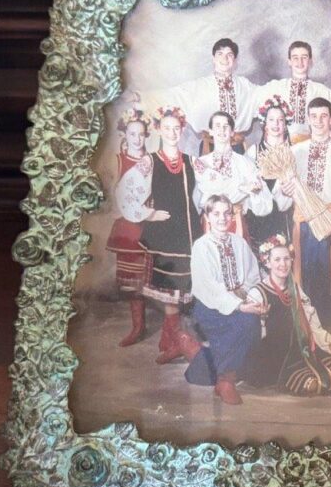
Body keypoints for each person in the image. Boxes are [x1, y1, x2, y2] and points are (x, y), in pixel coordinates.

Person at [116, 106, 204, 364]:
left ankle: (171, 338)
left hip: (188, 232)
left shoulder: (191, 161)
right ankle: (172, 339)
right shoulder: (150, 161)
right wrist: (148, 213)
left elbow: (211, 186)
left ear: (182, 130)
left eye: (176, 128)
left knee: (182, 288)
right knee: (169, 287)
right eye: (167, 128)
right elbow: (125, 191)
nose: (172, 133)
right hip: (165, 234)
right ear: (159, 130)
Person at [280, 97, 331, 337]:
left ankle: (328, 337)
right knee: (303, 281)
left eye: (324, 116)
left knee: (329, 284)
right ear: (307, 119)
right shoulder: (294, 153)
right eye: (313, 116)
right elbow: (282, 197)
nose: (319, 121)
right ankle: (306, 336)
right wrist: (284, 191)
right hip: (303, 228)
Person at [240, 235, 331, 396]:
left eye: (286, 259)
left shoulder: (294, 287)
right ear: (267, 262)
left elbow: (308, 318)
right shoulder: (258, 292)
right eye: (277, 260)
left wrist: (318, 338)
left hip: (300, 346)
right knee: (313, 385)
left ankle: (327, 379)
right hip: (277, 354)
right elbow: (253, 333)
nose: (283, 264)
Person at [183, 195, 264, 405]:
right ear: (207, 217)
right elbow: (207, 287)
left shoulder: (239, 242)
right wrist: (239, 306)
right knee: (245, 323)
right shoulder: (201, 246)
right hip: (209, 307)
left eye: (227, 213)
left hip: (240, 300)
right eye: (216, 213)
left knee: (253, 327)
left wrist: (251, 299)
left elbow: (253, 275)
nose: (222, 218)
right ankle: (225, 380)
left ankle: (202, 360)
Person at [133, 38, 258, 156]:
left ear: (234, 60)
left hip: (236, 147)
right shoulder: (200, 86)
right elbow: (173, 95)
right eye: (220, 54)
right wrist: (141, 97)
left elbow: (262, 94)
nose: (224, 58)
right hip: (210, 147)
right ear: (213, 58)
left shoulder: (245, 86)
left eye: (229, 55)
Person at [105, 107, 151, 347]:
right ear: (125, 135)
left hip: (149, 225)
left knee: (153, 278)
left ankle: (170, 331)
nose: (137, 138)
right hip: (129, 227)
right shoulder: (118, 160)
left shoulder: (151, 160)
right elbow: (114, 190)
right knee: (133, 282)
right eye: (133, 134)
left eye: (141, 134)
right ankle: (138, 327)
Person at [252, 41, 331, 144]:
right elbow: (251, 100)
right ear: (289, 61)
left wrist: (326, 136)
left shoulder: (320, 90)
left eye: (304, 57)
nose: (300, 62)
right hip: (280, 147)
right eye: (295, 58)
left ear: (310, 61)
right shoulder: (276, 86)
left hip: (310, 147)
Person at [193, 111, 271, 236]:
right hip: (210, 226)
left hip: (236, 224)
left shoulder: (245, 163)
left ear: (232, 132)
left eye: (226, 126)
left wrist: (254, 190)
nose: (222, 130)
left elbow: (263, 199)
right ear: (210, 131)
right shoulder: (202, 162)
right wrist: (242, 189)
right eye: (217, 126)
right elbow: (198, 197)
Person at [244, 95, 296, 247]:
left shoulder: (293, 152)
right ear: (265, 124)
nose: (276, 124)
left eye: (280, 120)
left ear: (286, 124)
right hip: (258, 221)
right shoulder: (253, 152)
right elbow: (246, 188)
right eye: (271, 120)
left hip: (284, 219)